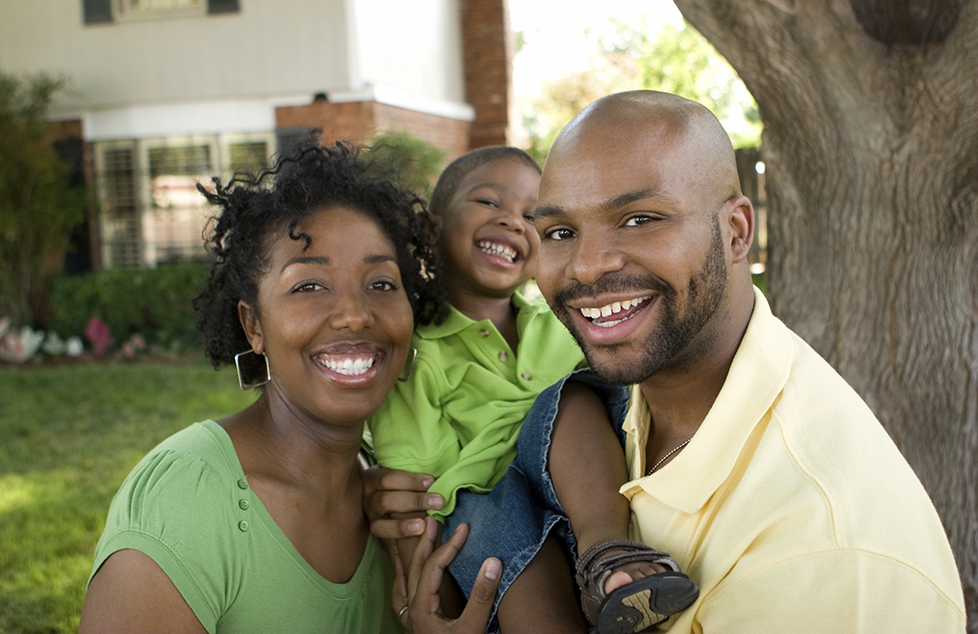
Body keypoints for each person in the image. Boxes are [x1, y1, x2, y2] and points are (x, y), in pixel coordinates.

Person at [376, 90, 968, 633]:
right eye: (559, 231)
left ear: (736, 232)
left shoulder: (822, 554)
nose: (586, 266)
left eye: (640, 219)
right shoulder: (633, 390)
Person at [78, 139, 500, 634]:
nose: (355, 314)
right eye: (308, 286)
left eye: (382, 283)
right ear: (253, 325)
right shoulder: (188, 502)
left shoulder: (395, 500)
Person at [368, 146, 697, 634]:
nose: (511, 222)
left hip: (587, 503)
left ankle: (609, 558)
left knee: (571, 398)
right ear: (430, 227)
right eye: (488, 202)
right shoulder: (414, 351)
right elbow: (420, 499)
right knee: (477, 512)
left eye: (532, 217)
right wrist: (420, 599)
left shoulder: (565, 326)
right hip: (493, 527)